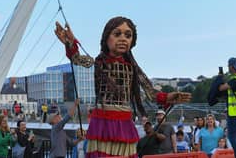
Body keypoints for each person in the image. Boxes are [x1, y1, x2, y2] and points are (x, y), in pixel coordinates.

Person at [54, 16, 191, 157]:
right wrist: (70, 43)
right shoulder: (98, 62)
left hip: (124, 122)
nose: (123, 39)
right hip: (103, 122)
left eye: (128, 35)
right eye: (117, 34)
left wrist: (168, 97)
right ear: (106, 37)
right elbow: (77, 59)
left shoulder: (132, 68)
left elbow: (150, 91)